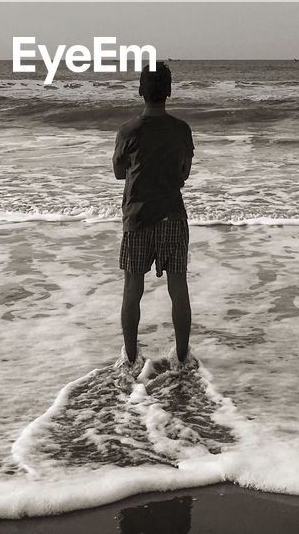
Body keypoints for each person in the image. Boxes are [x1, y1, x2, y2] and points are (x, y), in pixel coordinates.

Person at [113, 62, 194, 370]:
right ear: (169, 92)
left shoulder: (128, 131)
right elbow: (184, 173)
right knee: (178, 288)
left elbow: (119, 171)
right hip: (172, 215)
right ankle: (183, 358)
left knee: (133, 288)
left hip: (137, 217)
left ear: (140, 91)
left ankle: (131, 357)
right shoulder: (181, 130)